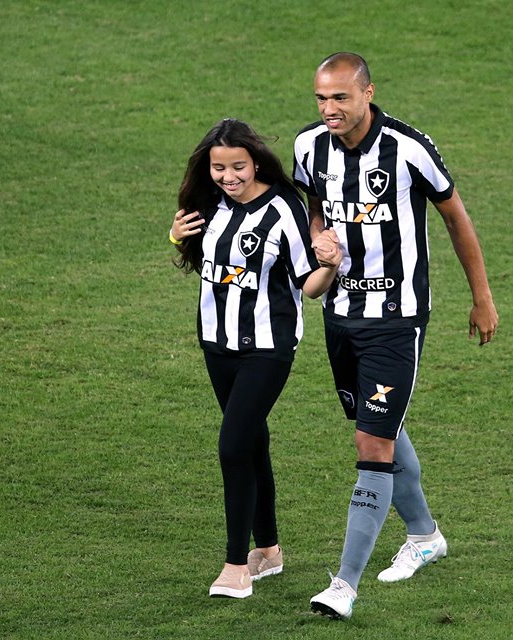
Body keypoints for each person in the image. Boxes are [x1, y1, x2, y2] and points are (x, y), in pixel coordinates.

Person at [292, 52, 499, 619]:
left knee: (371, 444)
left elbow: (456, 217)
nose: (329, 109)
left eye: (340, 98)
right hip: (340, 310)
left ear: (367, 93)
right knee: (378, 428)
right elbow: (313, 206)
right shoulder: (308, 145)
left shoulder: (409, 148)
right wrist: (319, 240)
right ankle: (425, 536)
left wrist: (481, 297)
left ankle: (344, 586)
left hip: (396, 317)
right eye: (321, 98)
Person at [170, 118, 342, 599]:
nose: (229, 176)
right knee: (251, 442)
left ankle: (235, 566)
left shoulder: (283, 209)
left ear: (256, 161)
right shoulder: (207, 202)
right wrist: (175, 234)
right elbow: (200, 257)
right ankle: (267, 550)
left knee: (232, 446)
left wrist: (330, 266)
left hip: (267, 348)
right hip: (216, 344)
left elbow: (307, 285)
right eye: (219, 167)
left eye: (238, 167)